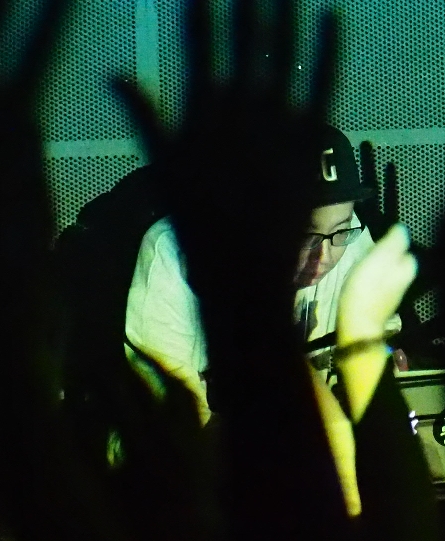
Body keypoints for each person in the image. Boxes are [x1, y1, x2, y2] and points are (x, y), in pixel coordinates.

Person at [123, 124, 378, 420]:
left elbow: (384, 344)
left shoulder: (348, 240)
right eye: (304, 236)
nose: (324, 256)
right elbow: (178, 426)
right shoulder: (171, 252)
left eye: (341, 230)